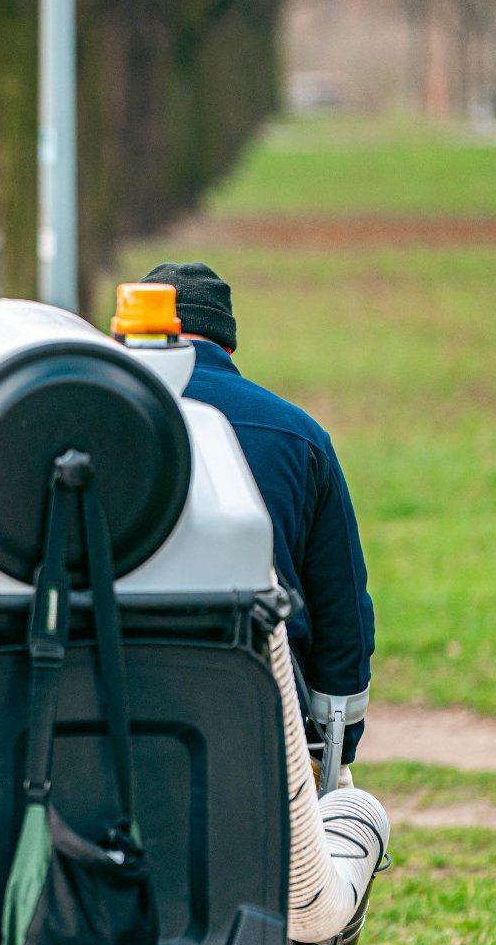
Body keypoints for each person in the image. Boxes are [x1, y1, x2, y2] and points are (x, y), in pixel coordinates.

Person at [143, 261, 375, 783]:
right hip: (263, 706)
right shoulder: (301, 435)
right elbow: (343, 615)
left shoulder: (89, 419)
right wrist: (335, 749)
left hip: (113, 694)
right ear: (227, 346)